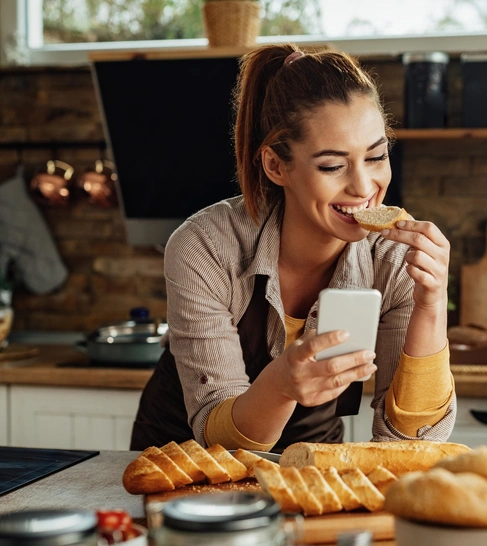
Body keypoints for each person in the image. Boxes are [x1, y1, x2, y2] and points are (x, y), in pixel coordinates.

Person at [130, 44, 456, 453]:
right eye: (332, 166)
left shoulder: (394, 260)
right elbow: (219, 438)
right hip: (184, 461)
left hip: (311, 458)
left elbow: (410, 443)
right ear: (276, 166)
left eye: (376, 156)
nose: (363, 187)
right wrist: (281, 384)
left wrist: (431, 303)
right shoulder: (205, 247)